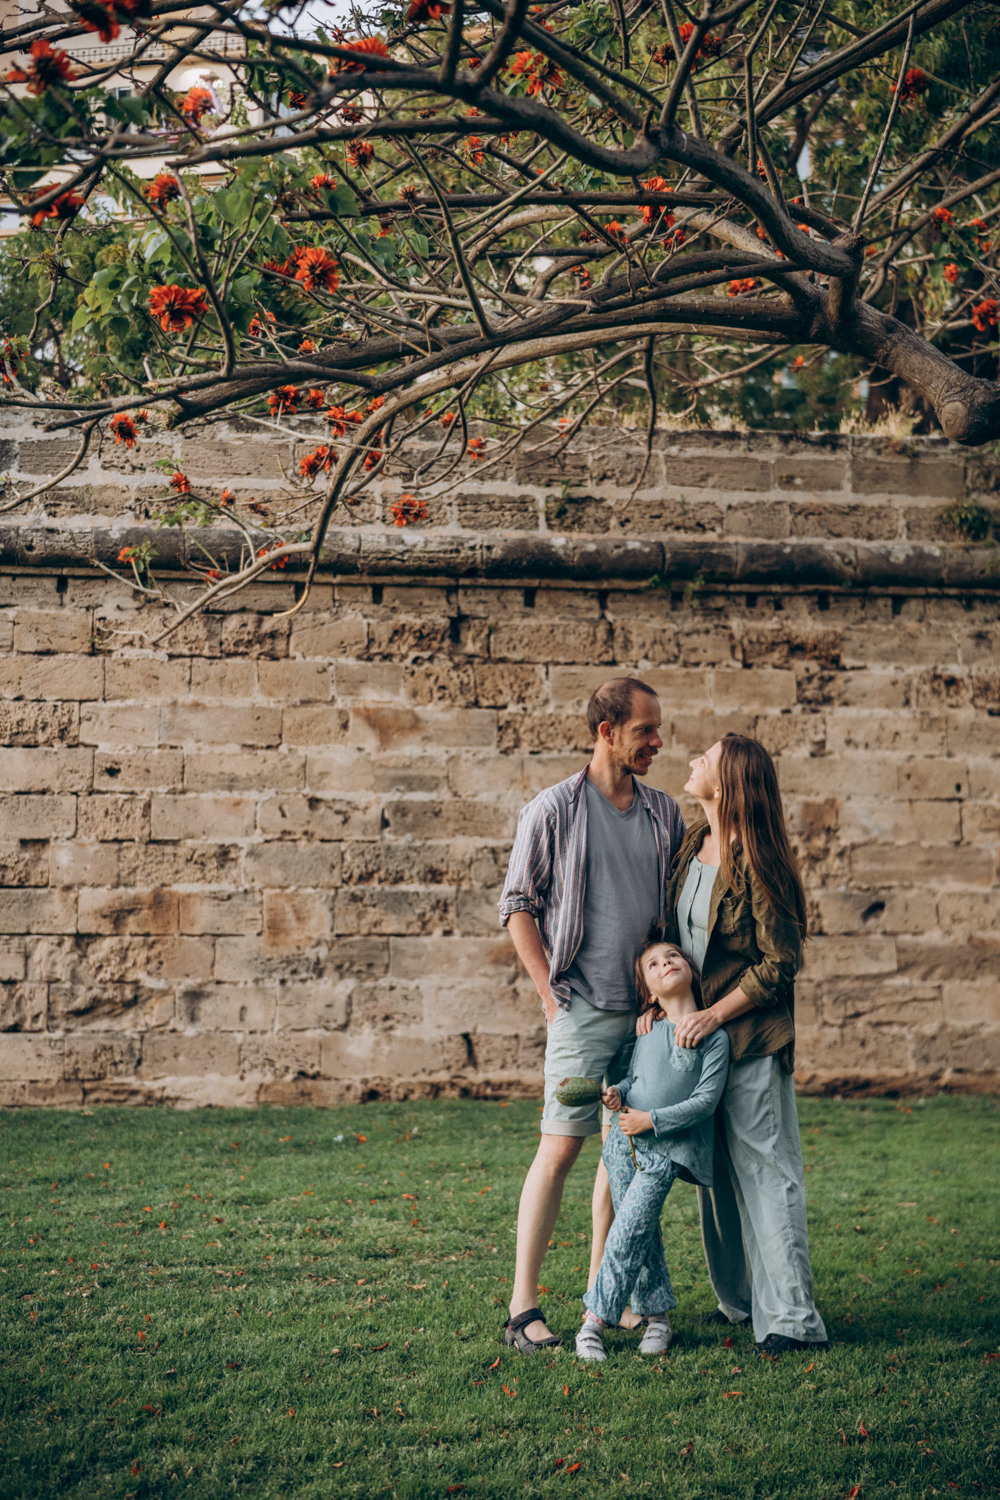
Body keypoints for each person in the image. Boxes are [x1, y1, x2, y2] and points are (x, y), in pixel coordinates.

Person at [497, 678, 685, 1353]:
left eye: (658, 730)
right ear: (606, 731)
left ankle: (606, 1297)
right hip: (580, 1009)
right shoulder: (552, 809)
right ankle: (523, 1308)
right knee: (562, 1148)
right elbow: (518, 904)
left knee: (625, 1156)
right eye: (645, 731)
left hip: (643, 1022)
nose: (658, 742)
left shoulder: (666, 815)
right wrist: (550, 995)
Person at [646, 733, 827, 1356]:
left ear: (726, 785)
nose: (694, 759)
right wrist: (660, 1006)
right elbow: (674, 940)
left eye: (708, 757)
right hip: (697, 1042)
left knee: (766, 1172)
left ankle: (793, 1322)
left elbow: (781, 963)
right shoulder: (690, 847)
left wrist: (714, 1015)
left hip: (747, 1036)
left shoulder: (759, 859)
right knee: (717, 1176)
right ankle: (743, 1301)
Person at [576, 932, 730, 1361]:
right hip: (623, 1146)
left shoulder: (714, 1037)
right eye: (654, 964)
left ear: (690, 969)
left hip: (665, 1150)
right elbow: (635, 1081)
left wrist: (653, 1121)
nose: (666, 963)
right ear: (647, 990)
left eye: (673, 956)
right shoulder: (647, 1030)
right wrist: (618, 1094)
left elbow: (705, 1102)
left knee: (626, 1232)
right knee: (643, 1233)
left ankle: (593, 1322)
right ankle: (659, 1318)